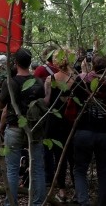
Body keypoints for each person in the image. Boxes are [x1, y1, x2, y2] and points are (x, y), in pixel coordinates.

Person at [0, 48, 47, 206]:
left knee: (12, 169)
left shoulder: (10, 82)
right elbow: (43, 102)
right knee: (37, 168)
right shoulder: (38, 82)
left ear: (16, 63)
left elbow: (0, 104)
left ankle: (11, 203)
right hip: (35, 129)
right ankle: (37, 203)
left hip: (14, 128)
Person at [71, 55, 106, 206]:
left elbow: (74, 94)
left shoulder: (82, 80)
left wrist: (84, 72)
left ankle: (84, 202)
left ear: (92, 66)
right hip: (103, 131)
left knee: (80, 170)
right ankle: (102, 201)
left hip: (84, 130)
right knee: (103, 170)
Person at [42, 47, 76, 203]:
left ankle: (62, 191)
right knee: (72, 156)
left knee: (58, 156)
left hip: (55, 121)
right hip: (71, 121)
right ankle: (77, 190)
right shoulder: (76, 79)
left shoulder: (51, 80)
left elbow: (47, 102)